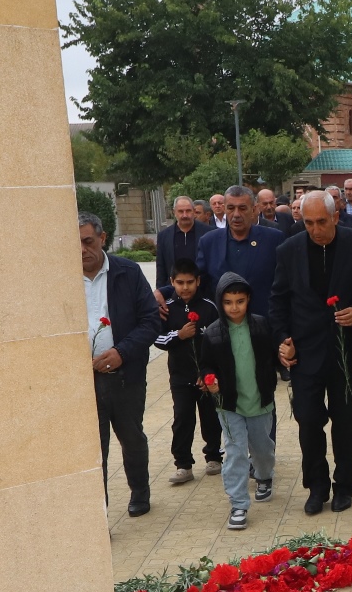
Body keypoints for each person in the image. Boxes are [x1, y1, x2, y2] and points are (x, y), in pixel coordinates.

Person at [274, 192, 352, 514]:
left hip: (345, 353)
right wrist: (282, 340)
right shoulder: (288, 250)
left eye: (321, 222)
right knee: (308, 421)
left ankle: (345, 486)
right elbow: (278, 301)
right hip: (305, 354)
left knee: (345, 424)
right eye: (308, 223)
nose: (315, 230)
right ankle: (316, 487)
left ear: (335, 217)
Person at [82, 212, 161, 516]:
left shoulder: (127, 272)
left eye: (88, 241)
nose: (83, 250)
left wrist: (122, 352)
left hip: (125, 374)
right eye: (76, 244)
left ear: (102, 238)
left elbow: (150, 321)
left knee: (132, 437)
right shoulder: (61, 279)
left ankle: (140, 492)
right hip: (85, 380)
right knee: (94, 448)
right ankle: (98, 512)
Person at [198, 274, 279, 531]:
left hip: (260, 400)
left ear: (249, 300)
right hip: (229, 404)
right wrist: (209, 380)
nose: (234, 307)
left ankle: (264, 476)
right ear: (220, 302)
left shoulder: (261, 326)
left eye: (240, 301)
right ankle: (239, 503)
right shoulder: (212, 333)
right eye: (228, 302)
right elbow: (205, 365)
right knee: (235, 451)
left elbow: (274, 356)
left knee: (262, 448)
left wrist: (286, 359)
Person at [153, 258, 222, 485]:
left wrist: (211, 373)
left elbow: (219, 341)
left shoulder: (209, 307)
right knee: (182, 419)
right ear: (171, 282)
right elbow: (156, 339)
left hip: (206, 377)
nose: (185, 287)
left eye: (190, 282)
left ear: (198, 281)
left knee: (210, 417)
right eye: (180, 282)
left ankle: (214, 457)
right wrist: (178, 335)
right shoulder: (166, 309)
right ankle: (183, 464)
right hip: (180, 377)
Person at [195, 185, 287, 326]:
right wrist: (163, 293)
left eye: (242, 208)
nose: (236, 214)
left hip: (265, 326)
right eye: (231, 208)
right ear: (225, 209)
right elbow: (196, 281)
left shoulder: (273, 239)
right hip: (223, 327)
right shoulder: (209, 242)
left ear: (253, 209)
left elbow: (285, 284)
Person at [156, 194, 205, 289]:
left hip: (203, 290)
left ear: (194, 211)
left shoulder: (208, 233)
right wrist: (160, 291)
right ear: (174, 212)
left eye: (188, 211)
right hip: (173, 291)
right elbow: (161, 269)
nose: (185, 215)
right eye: (181, 211)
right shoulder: (164, 236)